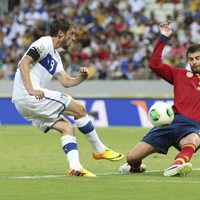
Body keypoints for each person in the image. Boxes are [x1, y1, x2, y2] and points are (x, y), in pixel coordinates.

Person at [12, 18, 124, 177]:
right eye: (71, 34)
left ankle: (75, 167)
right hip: (29, 95)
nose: (74, 38)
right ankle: (100, 149)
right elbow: (24, 63)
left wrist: (80, 78)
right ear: (60, 33)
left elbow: (65, 81)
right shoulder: (44, 43)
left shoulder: (56, 56)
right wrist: (31, 89)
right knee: (80, 109)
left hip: (24, 103)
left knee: (67, 128)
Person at [119, 21, 200, 177]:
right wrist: (163, 38)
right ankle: (136, 167)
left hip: (193, 126)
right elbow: (154, 64)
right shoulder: (180, 75)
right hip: (169, 122)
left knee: (193, 139)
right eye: (192, 59)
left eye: (198, 58)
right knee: (132, 157)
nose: (195, 62)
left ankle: (178, 164)